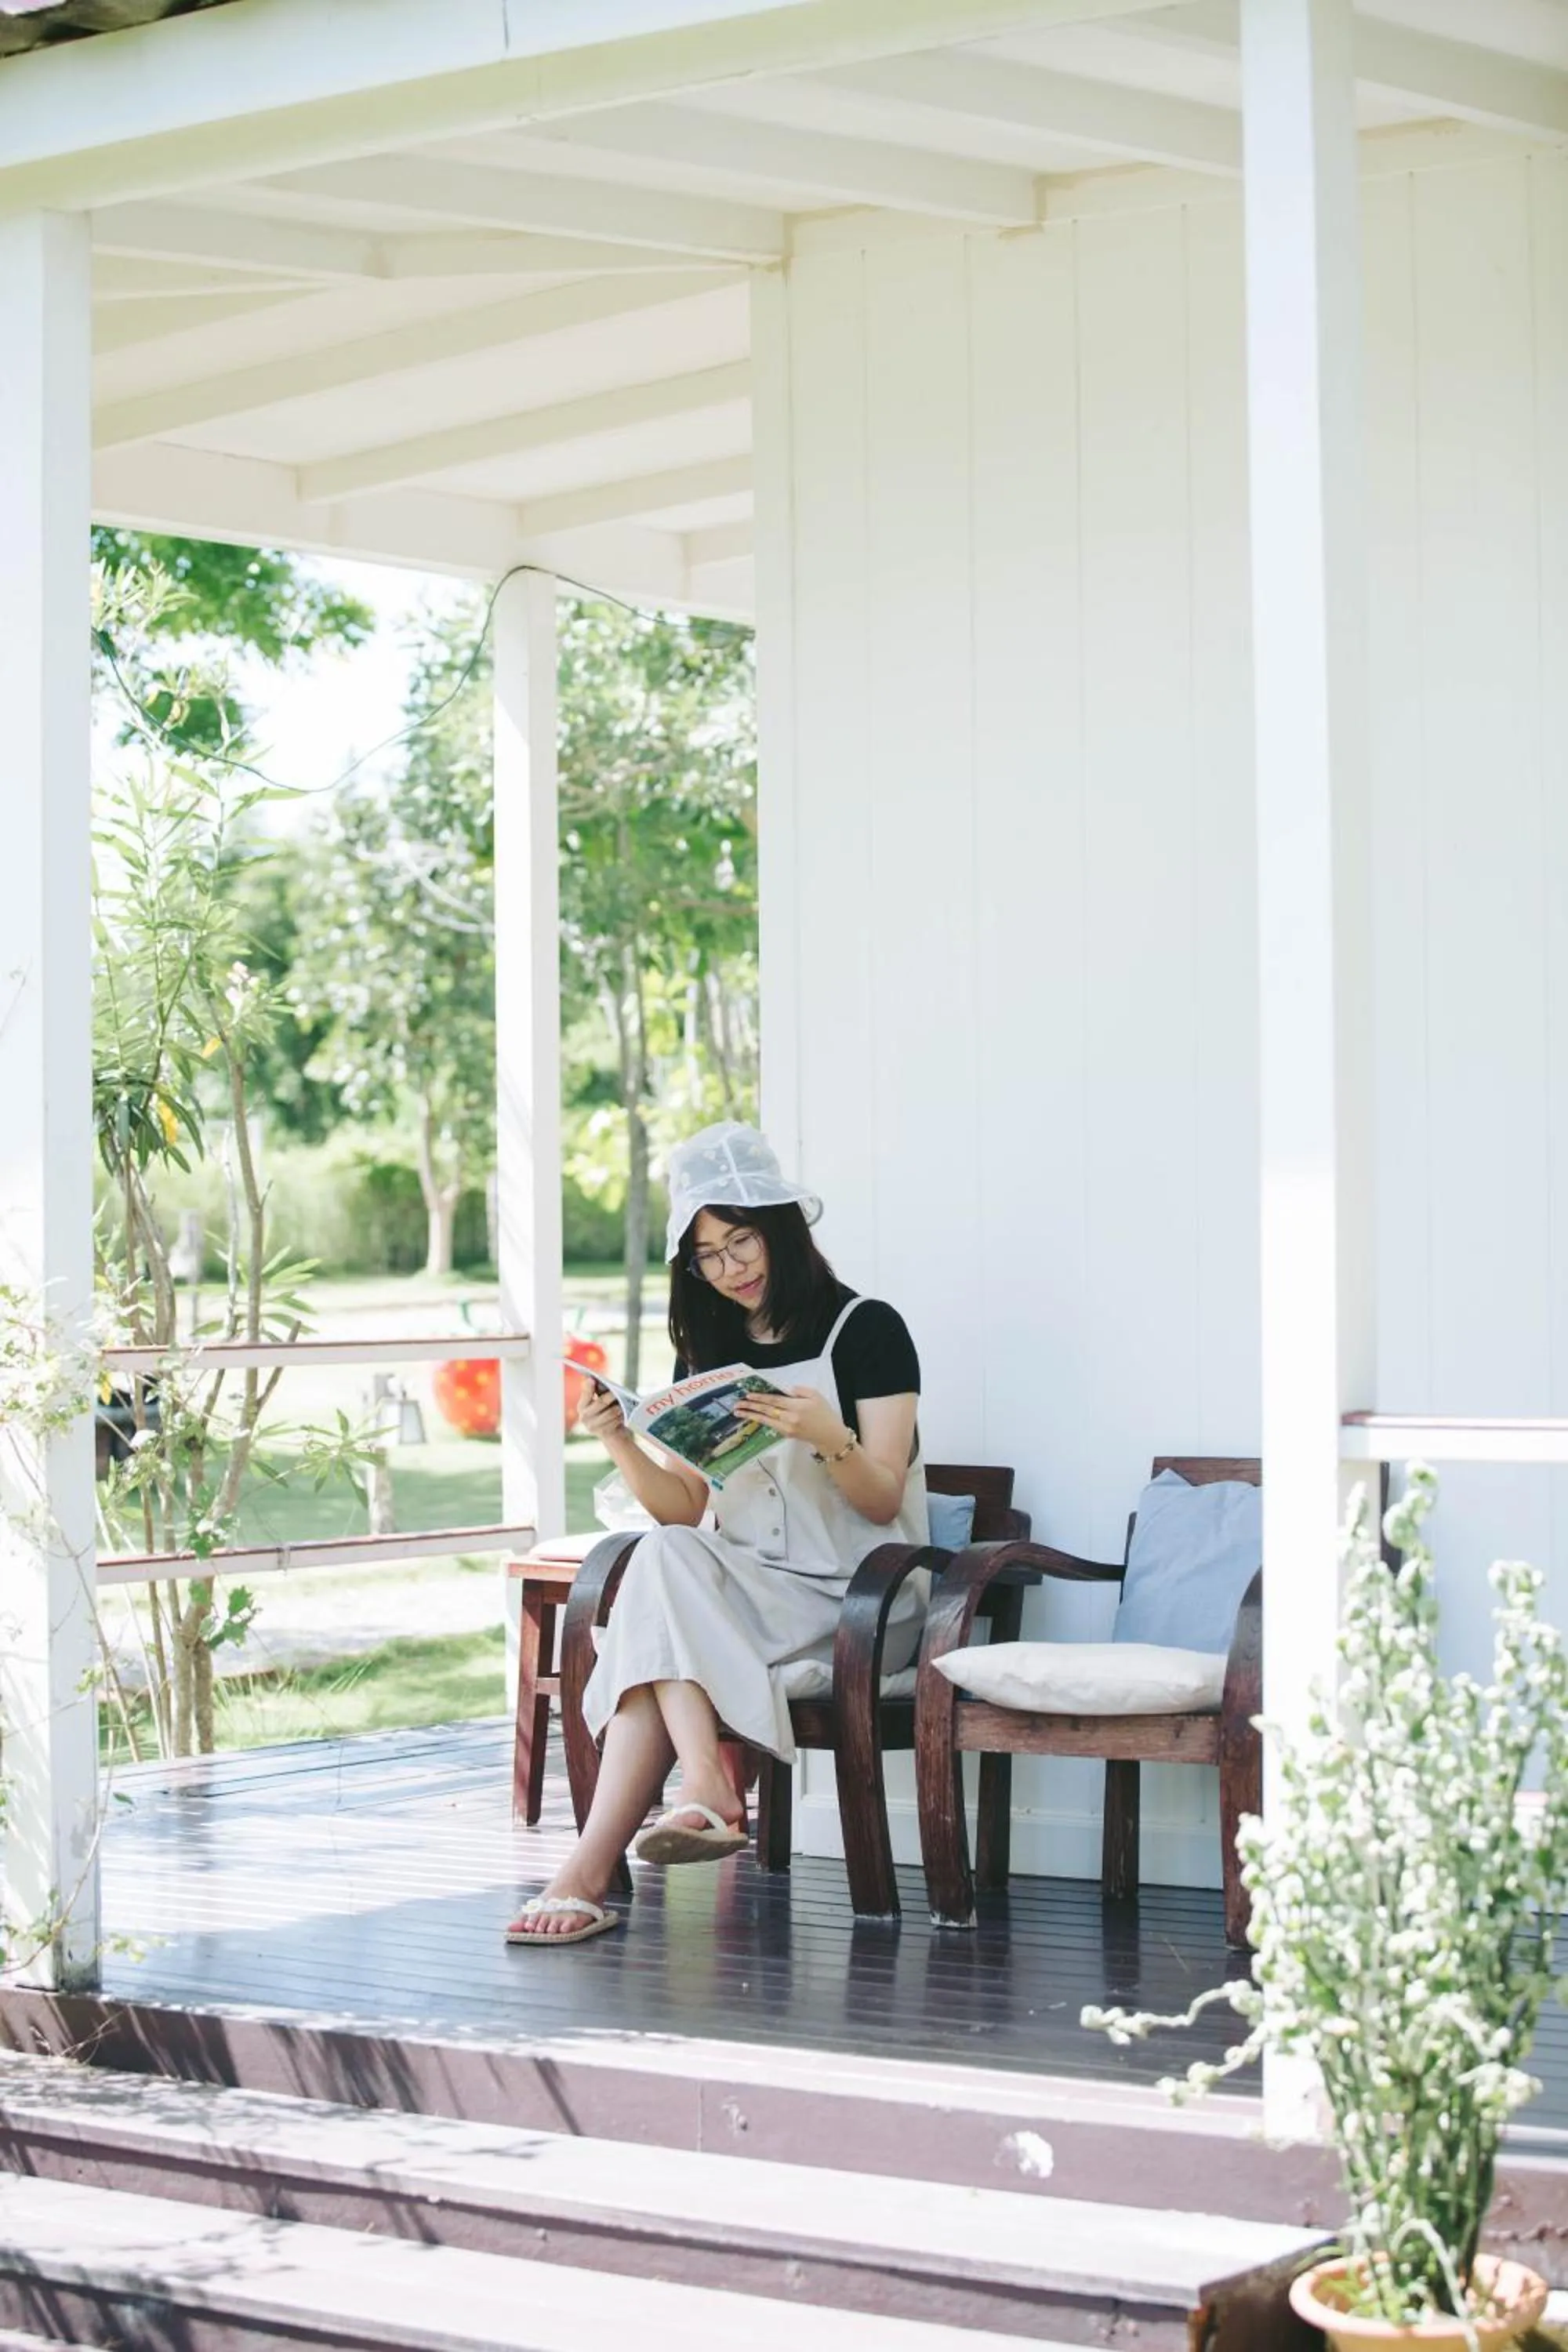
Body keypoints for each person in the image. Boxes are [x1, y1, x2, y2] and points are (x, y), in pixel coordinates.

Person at [506, 1120, 928, 1946]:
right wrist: (619, 1441)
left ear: (781, 1229)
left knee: (653, 1636)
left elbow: (881, 1502)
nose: (730, 1269)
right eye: (708, 1254)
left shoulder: (867, 1330)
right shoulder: (707, 1348)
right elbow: (681, 1511)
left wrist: (825, 1435)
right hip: (747, 1590)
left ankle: (599, 1862)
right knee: (659, 1553)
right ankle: (690, 1795)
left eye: (742, 1242)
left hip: (856, 1598)